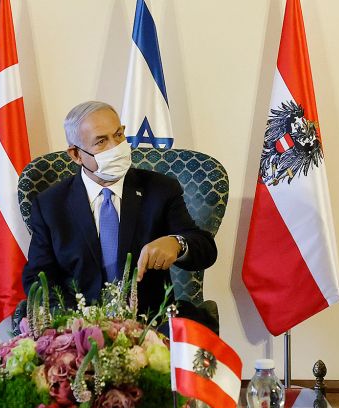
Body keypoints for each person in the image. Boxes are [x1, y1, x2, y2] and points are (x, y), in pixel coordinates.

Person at [22, 100, 218, 324]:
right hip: (82, 332)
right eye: (101, 142)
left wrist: (178, 244)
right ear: (76, 154)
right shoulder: (50, 205)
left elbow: (205, 248)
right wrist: (73, 321)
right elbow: (37, 277)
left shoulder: (160, 189)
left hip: (150, 327)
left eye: (118, 135)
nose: (115, 147)